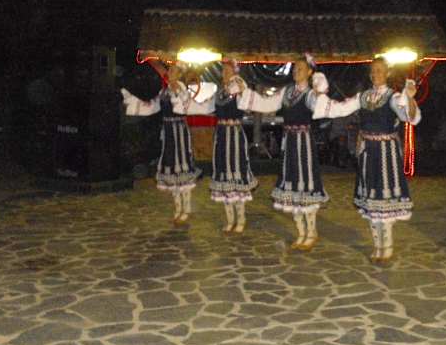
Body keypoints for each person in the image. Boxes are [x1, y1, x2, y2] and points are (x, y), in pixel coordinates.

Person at [312, 57, 421, 263]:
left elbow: (409, 117)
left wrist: (411, 98)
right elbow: (340, 108)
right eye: (373, 71)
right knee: (371, 199)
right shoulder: (362, 97)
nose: (375, 74)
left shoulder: (393, 97)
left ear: (387, 73)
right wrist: (320, 95)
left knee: (383, 197)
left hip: (386, 153)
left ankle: (387, 246)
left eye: (379, 70)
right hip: (368, 153)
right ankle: (377, 245)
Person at [237, 54, 329, 251]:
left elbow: (320, 107)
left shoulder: (311, 94)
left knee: (306, 185)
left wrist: (320, 91)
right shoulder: (286, 92)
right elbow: (266, 104)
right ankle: (301, 232)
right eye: (294, 68)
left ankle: (312, 232)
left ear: (310, 72)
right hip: (290, 144)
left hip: (304, 144)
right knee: (292, 187)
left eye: (300, 69)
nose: (296, 71)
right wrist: (245, 91)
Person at [121, 50, 215, 226]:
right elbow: (153, 106)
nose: (169, 73)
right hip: (169, 132)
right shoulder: (165, 90)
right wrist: (133, 101)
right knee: (171, 171)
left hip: (179, 131)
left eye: (172, 71)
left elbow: (185, 106)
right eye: (169, 71)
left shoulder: (180, 88)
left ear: (178, 74)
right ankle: (178, 208)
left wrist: (178, 90)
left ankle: (186, 208)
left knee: (182, 170)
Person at [210, 59, 258, 233]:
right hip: (222, 135)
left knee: (237, 172)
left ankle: (241, 219)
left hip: (235, 135)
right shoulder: (219, 92)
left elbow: (248, 106)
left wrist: (241, 88)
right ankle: (230, 219)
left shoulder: (239, 88)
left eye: (228, 70)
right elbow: (211, 109)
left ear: (235, 72)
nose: (224, 73)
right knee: (224, 173)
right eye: (223, 71)